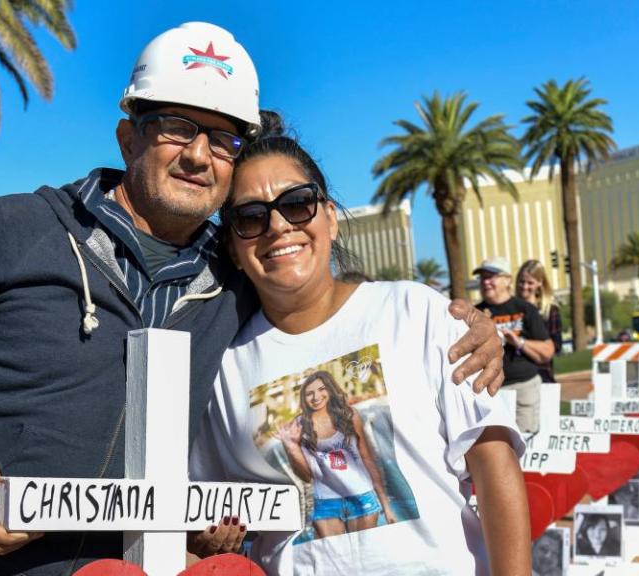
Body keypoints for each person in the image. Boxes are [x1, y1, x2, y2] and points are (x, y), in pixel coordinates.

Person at [0, 23, 506, 576]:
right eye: (177, 128)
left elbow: (321, 309)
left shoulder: (232, 281)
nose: (200, 154)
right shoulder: (17, 228)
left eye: (224, 138)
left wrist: (464, 324)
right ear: (128, 138)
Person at [190, 131, 531, 575]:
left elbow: (492, 461)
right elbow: (204, 509)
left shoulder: (415, 310)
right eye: (250, 217)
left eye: (296, 204)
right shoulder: (224, 367)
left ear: (330, 217)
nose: (277, 227)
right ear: (234, 249)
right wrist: (208, 534)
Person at [276, 371, 396, 539]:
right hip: (326, 501)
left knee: (365, 556)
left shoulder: (349, 415)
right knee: (334, 560)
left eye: (321, 389)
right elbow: (307, 476)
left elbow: (367, 458)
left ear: (330, 390)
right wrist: (292, 447)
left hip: (361, 495)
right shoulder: (300, 425)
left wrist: (386, 504)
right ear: (304, 398)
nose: (316, 396)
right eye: (309, 393)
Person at [475, 257, 555, 434]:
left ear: (507, 280)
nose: (486, 282)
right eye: (482, 278)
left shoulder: (525, 309)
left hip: (523, 388)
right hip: (488, 393)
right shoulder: (475, 314)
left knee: (524, 445)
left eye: (491, 276)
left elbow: (547, 352)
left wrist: (519, 342)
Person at [517, 260, 562, 382]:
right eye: (522, 282)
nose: (525, 286)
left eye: (530, 282)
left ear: (540, 283)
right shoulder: (511, 308)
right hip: (514, 377)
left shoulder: (549, 310)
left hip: (542, 376)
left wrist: (521, 344)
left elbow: (556, 346)